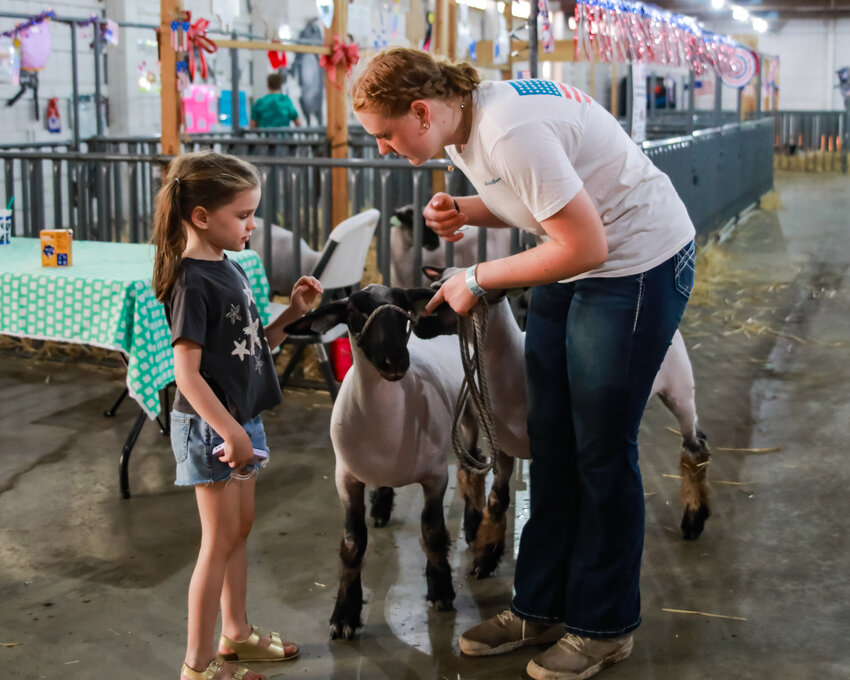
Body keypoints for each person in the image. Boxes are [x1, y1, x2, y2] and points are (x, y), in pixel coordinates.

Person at [351, 48, 695, 680]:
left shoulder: (508, 129)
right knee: (551, 438)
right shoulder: (462, 127)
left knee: (599, 449)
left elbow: (585, 242)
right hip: (575, 255)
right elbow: (542, 195)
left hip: (633, 262)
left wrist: (478, 277)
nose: (383, 148)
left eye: (385, 134)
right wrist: (468, 210)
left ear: (421, 111)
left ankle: (603, 625)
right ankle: (541, 606)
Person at [152, 150, 323, 680]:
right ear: (201, 216)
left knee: (240, 529)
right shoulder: (191, 282)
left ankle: (237, 634)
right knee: (217, 541)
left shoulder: (230, 267)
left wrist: (292, 314)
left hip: (239, 421)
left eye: (253, 212)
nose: (253, 225)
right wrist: (230, 432)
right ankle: (197, 666)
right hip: (213, 428)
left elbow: (252, 347)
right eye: (243, 215)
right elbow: (187, 375)